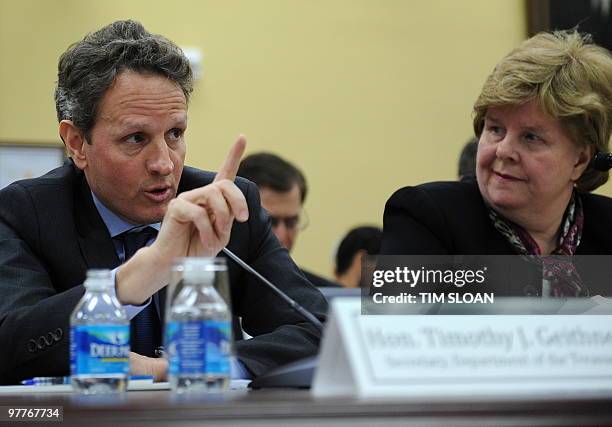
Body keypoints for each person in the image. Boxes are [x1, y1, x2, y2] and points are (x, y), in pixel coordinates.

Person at [0, 20, 327, 385]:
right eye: (136, 138)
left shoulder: (224, 207)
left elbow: (318, 331)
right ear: (76, 142)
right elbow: (10, 345)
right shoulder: (27, 213)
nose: (164, 163)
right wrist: (146, 272)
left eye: (175, 134)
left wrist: (185, 368)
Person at [381, 30, 612, 297]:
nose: (503, 151)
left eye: (531, 137)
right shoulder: (424, 217)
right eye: (495, 129)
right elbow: (391, 333)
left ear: (580, 160)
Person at [238, 152, 339, 287]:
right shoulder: (211, 294)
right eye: (270, 222)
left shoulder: (325, 297)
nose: (281, 236)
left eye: (291, 222)